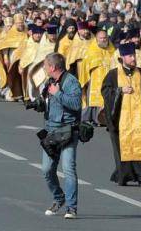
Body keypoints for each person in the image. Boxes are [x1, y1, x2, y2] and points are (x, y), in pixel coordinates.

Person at [101, 42, 141, 187]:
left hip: (140, 120)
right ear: (122, 58)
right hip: (120, 120)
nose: (133, 58)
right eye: (130, 56)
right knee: (122, 150)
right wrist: (120, 90)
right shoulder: (113, 74)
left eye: (134, 55)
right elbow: (105, 91)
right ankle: (123, 176)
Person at [40, 52, 81, 220]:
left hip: (68, 131)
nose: (44, 68)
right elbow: (49, 103)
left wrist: (58, 94)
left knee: (68, 169)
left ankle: (71, 207)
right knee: (47, 169)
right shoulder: (50, 81)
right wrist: (39, 103)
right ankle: (59, 198)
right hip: (51, 130)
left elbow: (77, 104)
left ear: (53, 67)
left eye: (45, 65)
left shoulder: (71, 82)